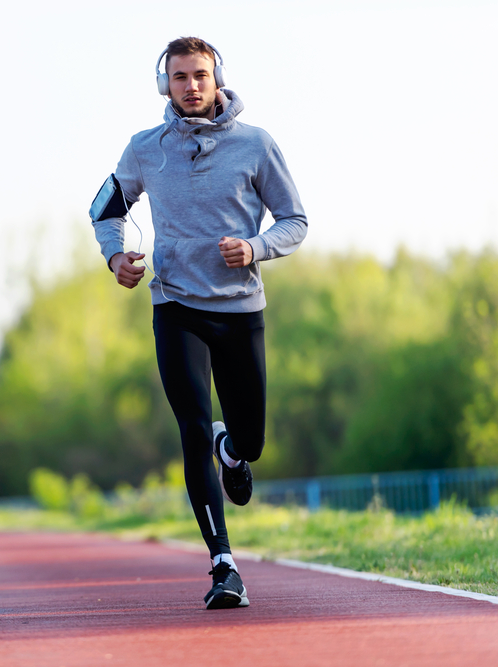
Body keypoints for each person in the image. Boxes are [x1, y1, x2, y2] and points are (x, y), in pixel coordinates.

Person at [89, 36, 307, 609]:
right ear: (167, 84)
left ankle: (232, 450)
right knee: (190, 425)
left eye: (200, 76)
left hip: (239, 310)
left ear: (217, 80)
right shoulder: (145, 149)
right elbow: (104, 208)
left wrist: (256, 248)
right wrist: (116, 257)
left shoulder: (256, 146)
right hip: (176, 306)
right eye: (180, 76)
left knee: (252, 441)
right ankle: (222, 565)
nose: (190, 86)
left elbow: (295, 220)